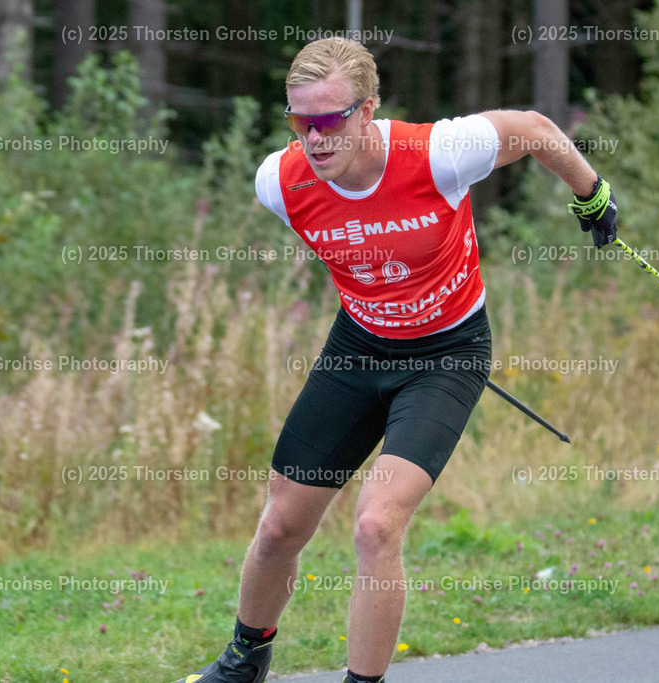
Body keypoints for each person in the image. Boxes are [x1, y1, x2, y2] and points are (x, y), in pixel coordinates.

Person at [174, 37, 617, 683]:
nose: (315, 138)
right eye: (301, 122)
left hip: (447, 354)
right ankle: (245, 659)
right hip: (359, 349)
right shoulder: (279, 182)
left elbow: (536, 129)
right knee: (278, 528)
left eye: (330, 120)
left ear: (367, 110)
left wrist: (591, 192)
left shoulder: (438, 152)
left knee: (376, 524)